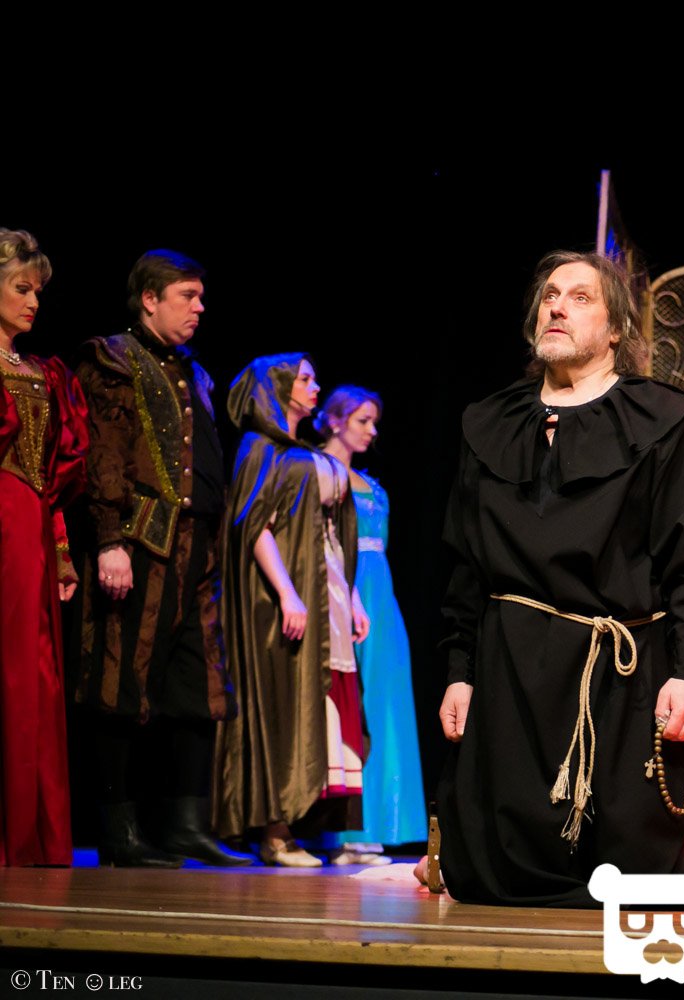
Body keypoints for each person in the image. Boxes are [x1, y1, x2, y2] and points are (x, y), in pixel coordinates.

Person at [436, 250, 684, 906]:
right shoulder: (490, 423)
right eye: (549, 295)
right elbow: (466, 564)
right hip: (510, 673)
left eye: (579, 297)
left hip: (616, 676)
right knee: (491, 875)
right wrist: (459, 671)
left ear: (617, 328)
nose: (557, 307)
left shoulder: (662, 422)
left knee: (634, 876)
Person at [74, 249, 246, 868]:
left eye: (200, 297)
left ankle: (185, 824)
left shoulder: (192, 369)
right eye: (187, 297)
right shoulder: (114, 358)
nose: (200, 308)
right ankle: (119, 830)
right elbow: (105, 452)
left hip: (198, 545)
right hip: (142, 540)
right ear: (150, 299)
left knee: (196, 684)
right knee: (121, 678)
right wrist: (110, 539)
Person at [215, 355, 368, 866]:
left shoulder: (297, 452)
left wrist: (352, 596)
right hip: (287, 595)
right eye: (304, 378)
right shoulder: (261, 449)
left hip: (327, 590)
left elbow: (331, 534)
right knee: (285, 702)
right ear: (277, 388)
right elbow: (254, 525)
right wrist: (286, 592)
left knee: (324, 701)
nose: (314, 386)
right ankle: (276, 833)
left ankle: (311, 830)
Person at [0, 229, 89, 866]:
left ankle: (32, 831)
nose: (33, 302)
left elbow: (51, 480)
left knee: (36, 672)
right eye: (20, 288)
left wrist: (60, 550)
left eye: (37, 291)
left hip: (31, 528)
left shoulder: (43, 373)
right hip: (1, 525)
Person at [316, 387, 425, 864]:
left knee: (383, 704)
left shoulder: (370, 483)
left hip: (380, 598)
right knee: (346, 708)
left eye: (374, 421)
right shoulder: (315, 470)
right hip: (342, 588)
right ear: (335, 420)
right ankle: (341, 832)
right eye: (362, 420)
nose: (372, 430)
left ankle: (377, 826)